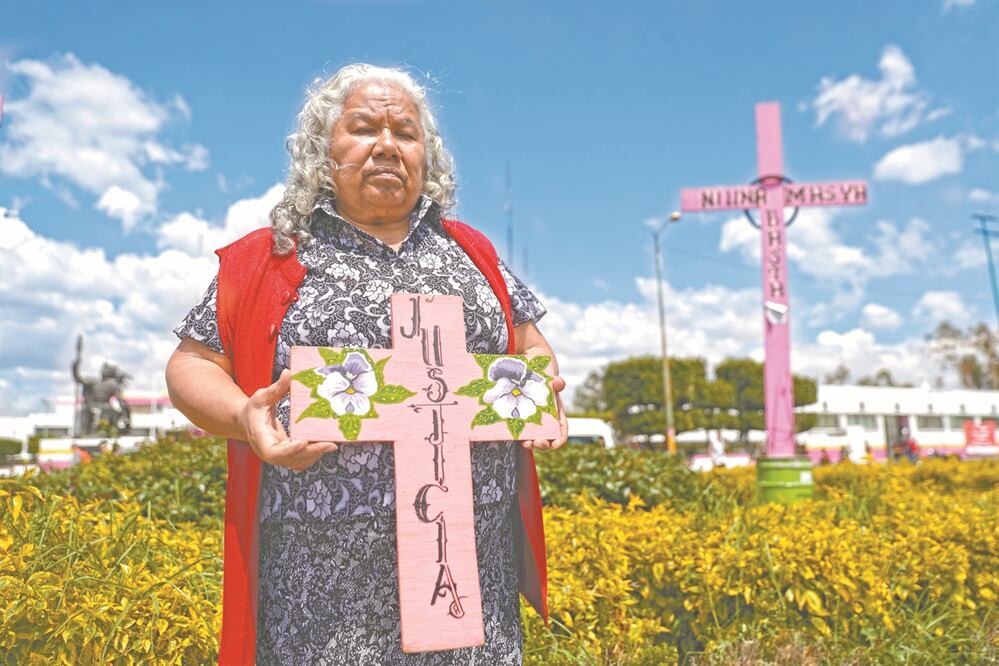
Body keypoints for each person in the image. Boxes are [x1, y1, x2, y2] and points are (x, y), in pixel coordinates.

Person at [165, 64, 567, 665]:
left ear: (427, 155)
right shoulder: (269, 256)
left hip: (470, 572)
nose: (387, 145)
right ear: (321, 150)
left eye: (405, 133)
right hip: (319, 591)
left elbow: (530, 344)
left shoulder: (472, 252)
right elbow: (192, 365)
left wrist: (539, 392)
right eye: (363, 128)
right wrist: (245, 415)